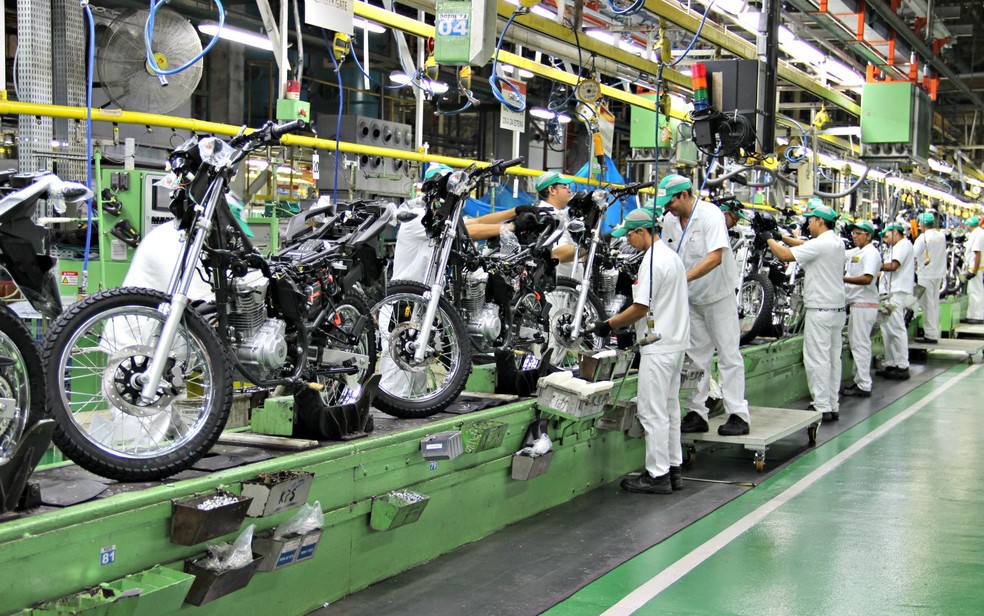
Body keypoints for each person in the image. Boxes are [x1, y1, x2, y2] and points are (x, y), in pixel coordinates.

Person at [590, 208, 690, 493]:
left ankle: (657, 476)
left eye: (629, 236)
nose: (628, 242)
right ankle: (673, 469)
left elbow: (640, 308)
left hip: (658, 348)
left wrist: (609, 325)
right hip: (675, 343)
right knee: (670, 409)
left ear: (642, 232)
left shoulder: (652, 261)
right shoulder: (672, 257)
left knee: (651, 412)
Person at [660, 174, 751, 436]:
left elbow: (715, 257)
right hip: (690, 298)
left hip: (718, 295)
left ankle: (738, 414)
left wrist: (682, 278)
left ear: (684, 195)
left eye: (671, 202)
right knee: (697, 358)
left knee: (728, 355)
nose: (668, 208)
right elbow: (668, 255)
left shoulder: (710, 215)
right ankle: (697, 412)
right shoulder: (670, 220)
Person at [762, 205, 845, 421]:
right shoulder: (836, 242)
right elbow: (804, 246)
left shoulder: (821, 244)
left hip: (820, 311)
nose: (808, 224)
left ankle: (821, 406)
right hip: (836, 310)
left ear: (820, 221)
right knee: (833, 359)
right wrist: (780, 236)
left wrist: (767, 238)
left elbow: (784, 255)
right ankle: (832, 404)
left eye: (811, 220)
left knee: (817, 359)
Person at [842, 220, 881, 398]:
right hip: (858, 304)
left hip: (864, 304)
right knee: (857, 344)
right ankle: (860, 380)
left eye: (859, 233)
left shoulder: (871, 253)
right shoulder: (857, 252)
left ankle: (864, 384)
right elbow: (836, 252)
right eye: (854, 233)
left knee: (860, 344)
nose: (855, 236)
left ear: (868, 236)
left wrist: (842, 278)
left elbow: (867, 278)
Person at [875, 223, 915, 380]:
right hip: (889, 292)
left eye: (887, 236)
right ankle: (891, 363)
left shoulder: (903, 245)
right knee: (887, 329)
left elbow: (893, 266)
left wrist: (872, 264)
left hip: (896, 293)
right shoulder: (896, 247)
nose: (885, 239)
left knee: (896, 328)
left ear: (896, 232)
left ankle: (902, 365)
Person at [533, 171, 578, 277]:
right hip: (558, 284)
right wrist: (588, 245)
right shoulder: (548, 218)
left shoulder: (559, 214)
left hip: (566, 283)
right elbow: (557, 253)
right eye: (564, 186)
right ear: (552, 190)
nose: (569, 190)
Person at [911, 212, 947, 343]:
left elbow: (913, 255)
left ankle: (930, 335)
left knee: (926, 305)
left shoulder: (923, 238)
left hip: (926, 275)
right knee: (934, 304)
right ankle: (933, 332)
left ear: (921, 224)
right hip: (938, 274)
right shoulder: (941, 236)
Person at [963, 216, 984, 324]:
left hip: (976, 268)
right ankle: (971, 315)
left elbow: (977, 253)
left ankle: (978, 316)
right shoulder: (977, 233)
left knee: (977, 292)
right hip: (974, 267)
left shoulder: (978, 234)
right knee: (971, 292)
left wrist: (974, 271)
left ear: (969, 225)